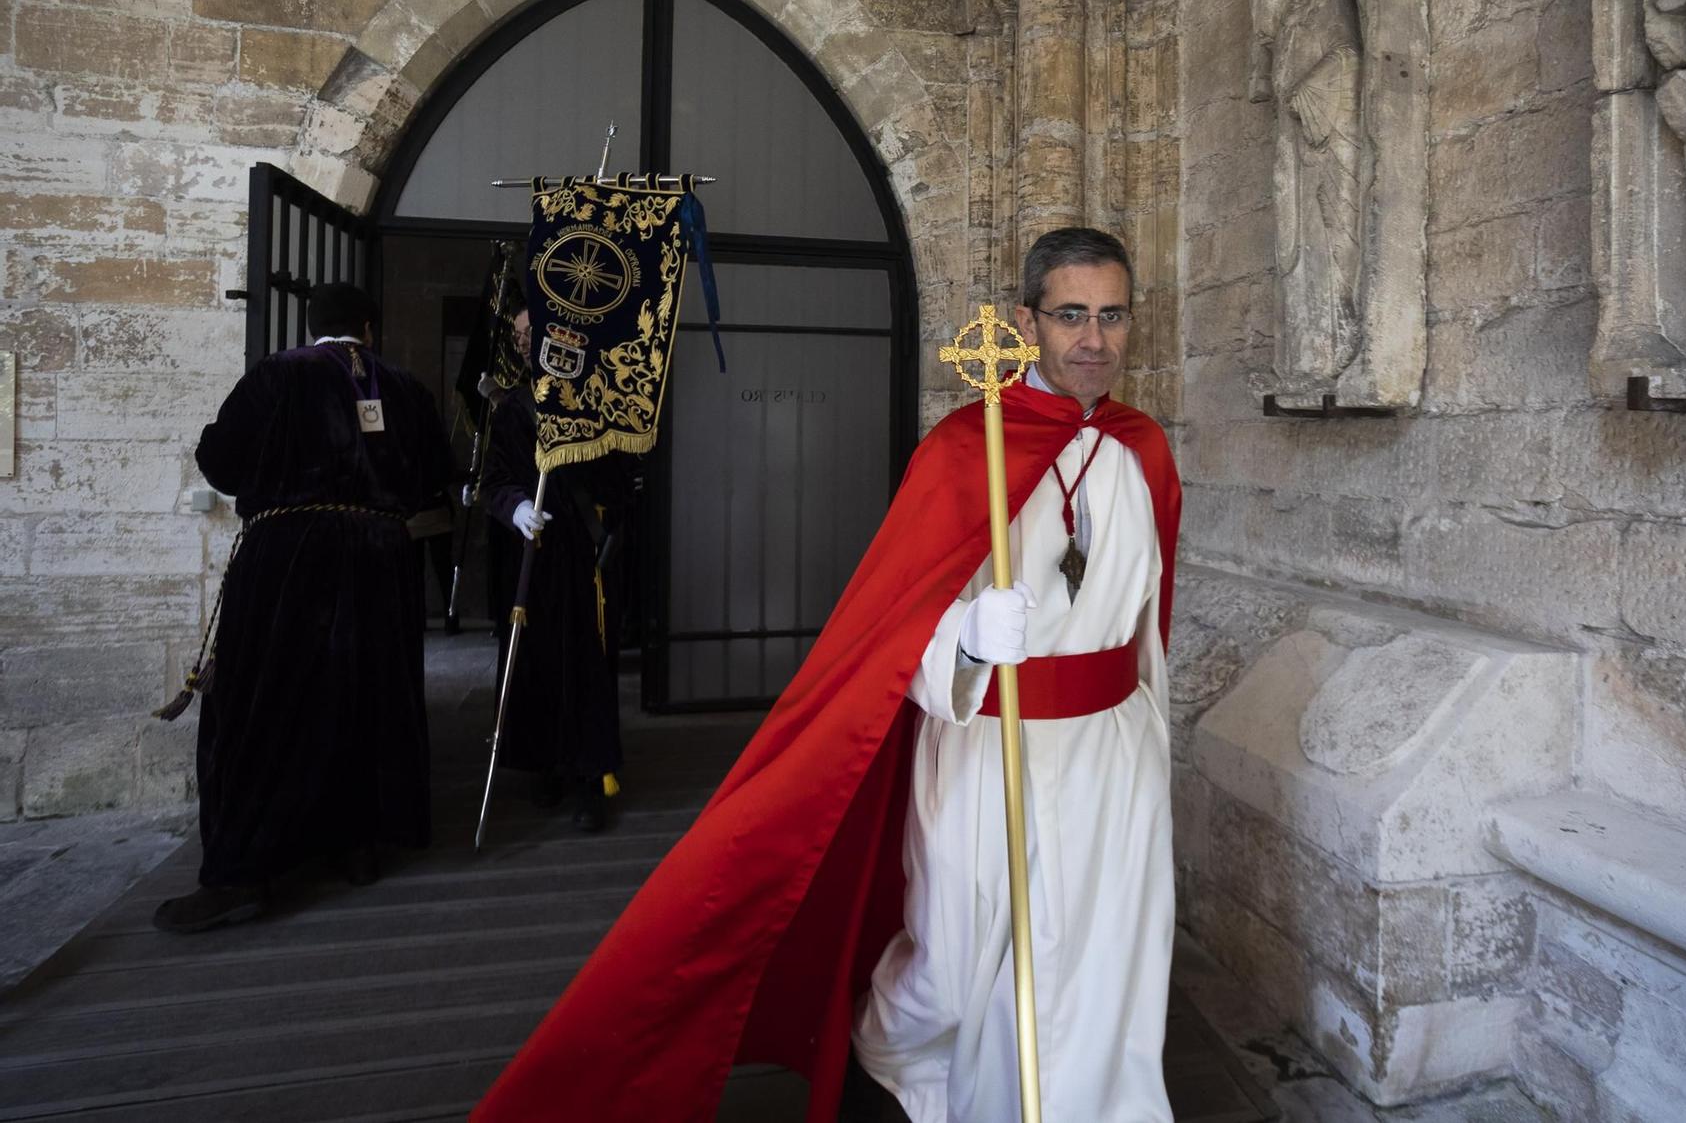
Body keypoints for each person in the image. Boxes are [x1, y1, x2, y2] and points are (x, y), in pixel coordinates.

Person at [473, 228, 1182, 1123]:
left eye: (1111, 315)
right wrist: (964, 639)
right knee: (957, 965)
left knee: (1110, 950)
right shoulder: (969, 448)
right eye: (1071, 314)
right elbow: (895, 625)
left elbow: (1148, 619)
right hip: (987, 752)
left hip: (1114, 760)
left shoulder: (1144, 449)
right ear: (1025, 322)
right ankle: (915, 1079)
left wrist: (1150, 739)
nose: (1093, 338)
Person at [155, 283, 453, 932]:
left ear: (313, 326)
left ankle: (240, 872)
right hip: (381, 557)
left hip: (291, 556)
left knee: (263, 704)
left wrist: (275, 489)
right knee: (364, 698)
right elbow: (436, 474)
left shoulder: (277, 374)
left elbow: (218, 457)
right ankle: (359, 848)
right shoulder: (404, 388)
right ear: (368, 330)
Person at [482, 305, 631, 833]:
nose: (523, 342)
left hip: (584, 559)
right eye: (519, 334)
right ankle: (545, 764)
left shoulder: (598, 403)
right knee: (535, 662)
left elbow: (623, 479)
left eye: (531, 332)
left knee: (588, 662)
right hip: (531, 557)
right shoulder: (512, 409)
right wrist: (517, 507)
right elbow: (493, 482)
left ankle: (593, 776)